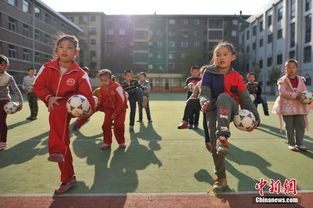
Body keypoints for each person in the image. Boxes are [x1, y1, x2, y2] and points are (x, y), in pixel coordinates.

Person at [33, 35, 95, 194]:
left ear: (76, 52)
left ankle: (56, 150)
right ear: (56, 50)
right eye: (61, 46)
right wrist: (48, 97)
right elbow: (38, 86)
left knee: (59, 109)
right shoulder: (46, 67)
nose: (65, 50)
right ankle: (68, 178)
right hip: (54, 103)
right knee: (64, 138)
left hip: (71, 105)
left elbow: (87, 97)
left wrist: (87, 109)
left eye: (69, 47)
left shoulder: (81, 74)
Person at [200, 41, 260, 193]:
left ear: (233, 57)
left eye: (225, 54)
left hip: (230, 107)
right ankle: (221, 178)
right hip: (212, 110)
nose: (221, 57)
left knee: (223, 97)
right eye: (217, 54)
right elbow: (205, 91)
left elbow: (245, 99)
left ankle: (222, 135)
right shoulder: (208, 72)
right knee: (215, 146)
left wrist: (256, 119)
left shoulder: (236, 76)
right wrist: (204, 101)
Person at [272, 59, 310, 151]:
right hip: (287, 107)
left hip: (300, 107)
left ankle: (300, 143)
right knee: (289, 126)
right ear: (285, 69)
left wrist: (307, 98)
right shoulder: (283, 80)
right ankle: (291, 143)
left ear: (296, 69)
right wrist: (296, 95)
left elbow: (304, 91)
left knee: (301, 125)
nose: (291, 69)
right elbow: (282, 92)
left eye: (293, 67)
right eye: (288, 67)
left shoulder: (301, 79)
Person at [178, 66, 211, 150]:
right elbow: (194, 95)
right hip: (202, 104)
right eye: (203, 73)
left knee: (206, 124)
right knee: (191, 101)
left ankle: (210, 140)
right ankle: (185, 121)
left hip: (212, 104)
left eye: (206, 73)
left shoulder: (214, 82)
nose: (204, 74)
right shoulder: (199, 83)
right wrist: (189, 101)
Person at [97, 69, 128, 150]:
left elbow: (121, 101)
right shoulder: (102, 89)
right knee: (105, 126)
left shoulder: (117, 86)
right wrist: (96, 106)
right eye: (101, 80)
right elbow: (101, 100)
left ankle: (121, 142)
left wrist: (115, 114)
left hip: (120, 110)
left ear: (110, 78)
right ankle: (107, 142)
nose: (103, 82)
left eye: (105, 80)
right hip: (109, 110)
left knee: (119, 126)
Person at [0, 55, 23, 150]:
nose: (3, 66)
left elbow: (16, 90)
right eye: (1, 65)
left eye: (5, 64)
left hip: (4, 101)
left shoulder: (8, 77)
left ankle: (2, 142)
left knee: (1, 121)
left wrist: (20, 102)